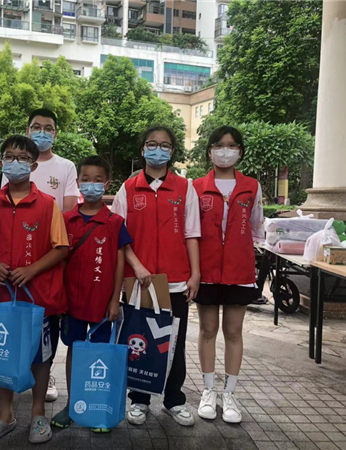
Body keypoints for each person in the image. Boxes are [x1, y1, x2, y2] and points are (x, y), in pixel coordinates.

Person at [0, 135, 69, 445]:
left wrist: (32, 269)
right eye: (10, 157)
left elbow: (61, 247)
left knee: (40, 358)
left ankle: (38, 414)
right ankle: (5, 415)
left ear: (33, 165)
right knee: (3, 354)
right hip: (2, 298)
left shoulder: (48, 205)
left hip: (38, 299)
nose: (16, 163)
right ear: (2, 162)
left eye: (23, 158)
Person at [111, 125, 201, 427]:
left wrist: (195, 274)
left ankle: (174, 399)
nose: (157, 149)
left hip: (175, 281)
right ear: (143, 149)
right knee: (139, 339)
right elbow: (119, 235)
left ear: (172, 151)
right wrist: (136, 266)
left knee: (173, 342)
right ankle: (139, 399)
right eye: (152, 144)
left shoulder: (185, 188)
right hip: (140, 281)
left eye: (164, 145)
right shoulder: (128, 188)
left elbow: (192, 234)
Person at [0, 108, 80, 401]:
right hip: (14, 258)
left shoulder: (65, 166)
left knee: (45, 322)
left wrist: (47, 248)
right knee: (12, 318)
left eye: (48, 128)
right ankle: (7, 372)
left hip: (49, 255)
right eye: (36, 127)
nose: (42, 132)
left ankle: (46, 374)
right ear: (27, 130)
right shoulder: (13, 161)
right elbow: (3, 208)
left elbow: (69, 211)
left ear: (55, 133)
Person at [51, 156, 132, 433]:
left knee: (100, 355)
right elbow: (60, 261)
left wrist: (115, 300)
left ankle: (97, 406)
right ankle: (72, 404)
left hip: (102, 304)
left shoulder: (115, 222)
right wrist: (59, 298)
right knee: (74, 350)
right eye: (86, 179)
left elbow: (120, 263)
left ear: (107, 184)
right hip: (72, 302)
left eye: (98, 180)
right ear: (78, 182)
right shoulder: (66, 220)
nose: (91, 185)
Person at [192, 126, 264, 424]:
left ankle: (230, 394)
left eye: (232, 145)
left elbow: (257, 227)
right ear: (210, 151)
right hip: (206, 271)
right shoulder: (196, 187)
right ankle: (209, 390)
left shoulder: (252, 187)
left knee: (233, 332)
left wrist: (243, 255)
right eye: (220, 145)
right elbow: (191, 230)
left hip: (239, 271)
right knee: (208, 330)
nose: (226, 151)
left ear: (240, 151)